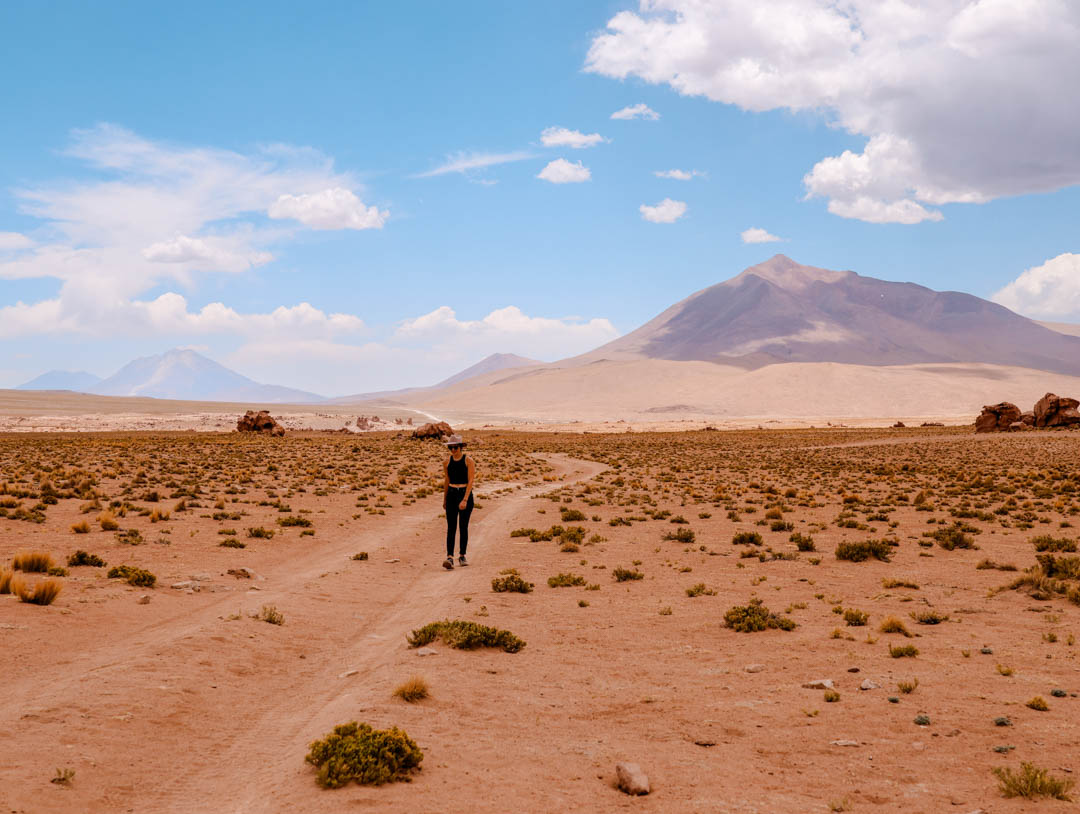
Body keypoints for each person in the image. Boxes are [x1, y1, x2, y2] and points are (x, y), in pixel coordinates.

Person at [441, 434, 475, 569]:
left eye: (455, 447)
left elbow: (471, 480)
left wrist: (465, 499)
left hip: (464, 494)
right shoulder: (446, 462)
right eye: (451, 448)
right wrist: (444, 499)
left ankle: (462, 555)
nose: (453, 450)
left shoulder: (468, 461)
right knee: (451, 527)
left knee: (463, 527)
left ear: (461, 447)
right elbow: (447, 481)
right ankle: (449, 558)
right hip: (451, 495)